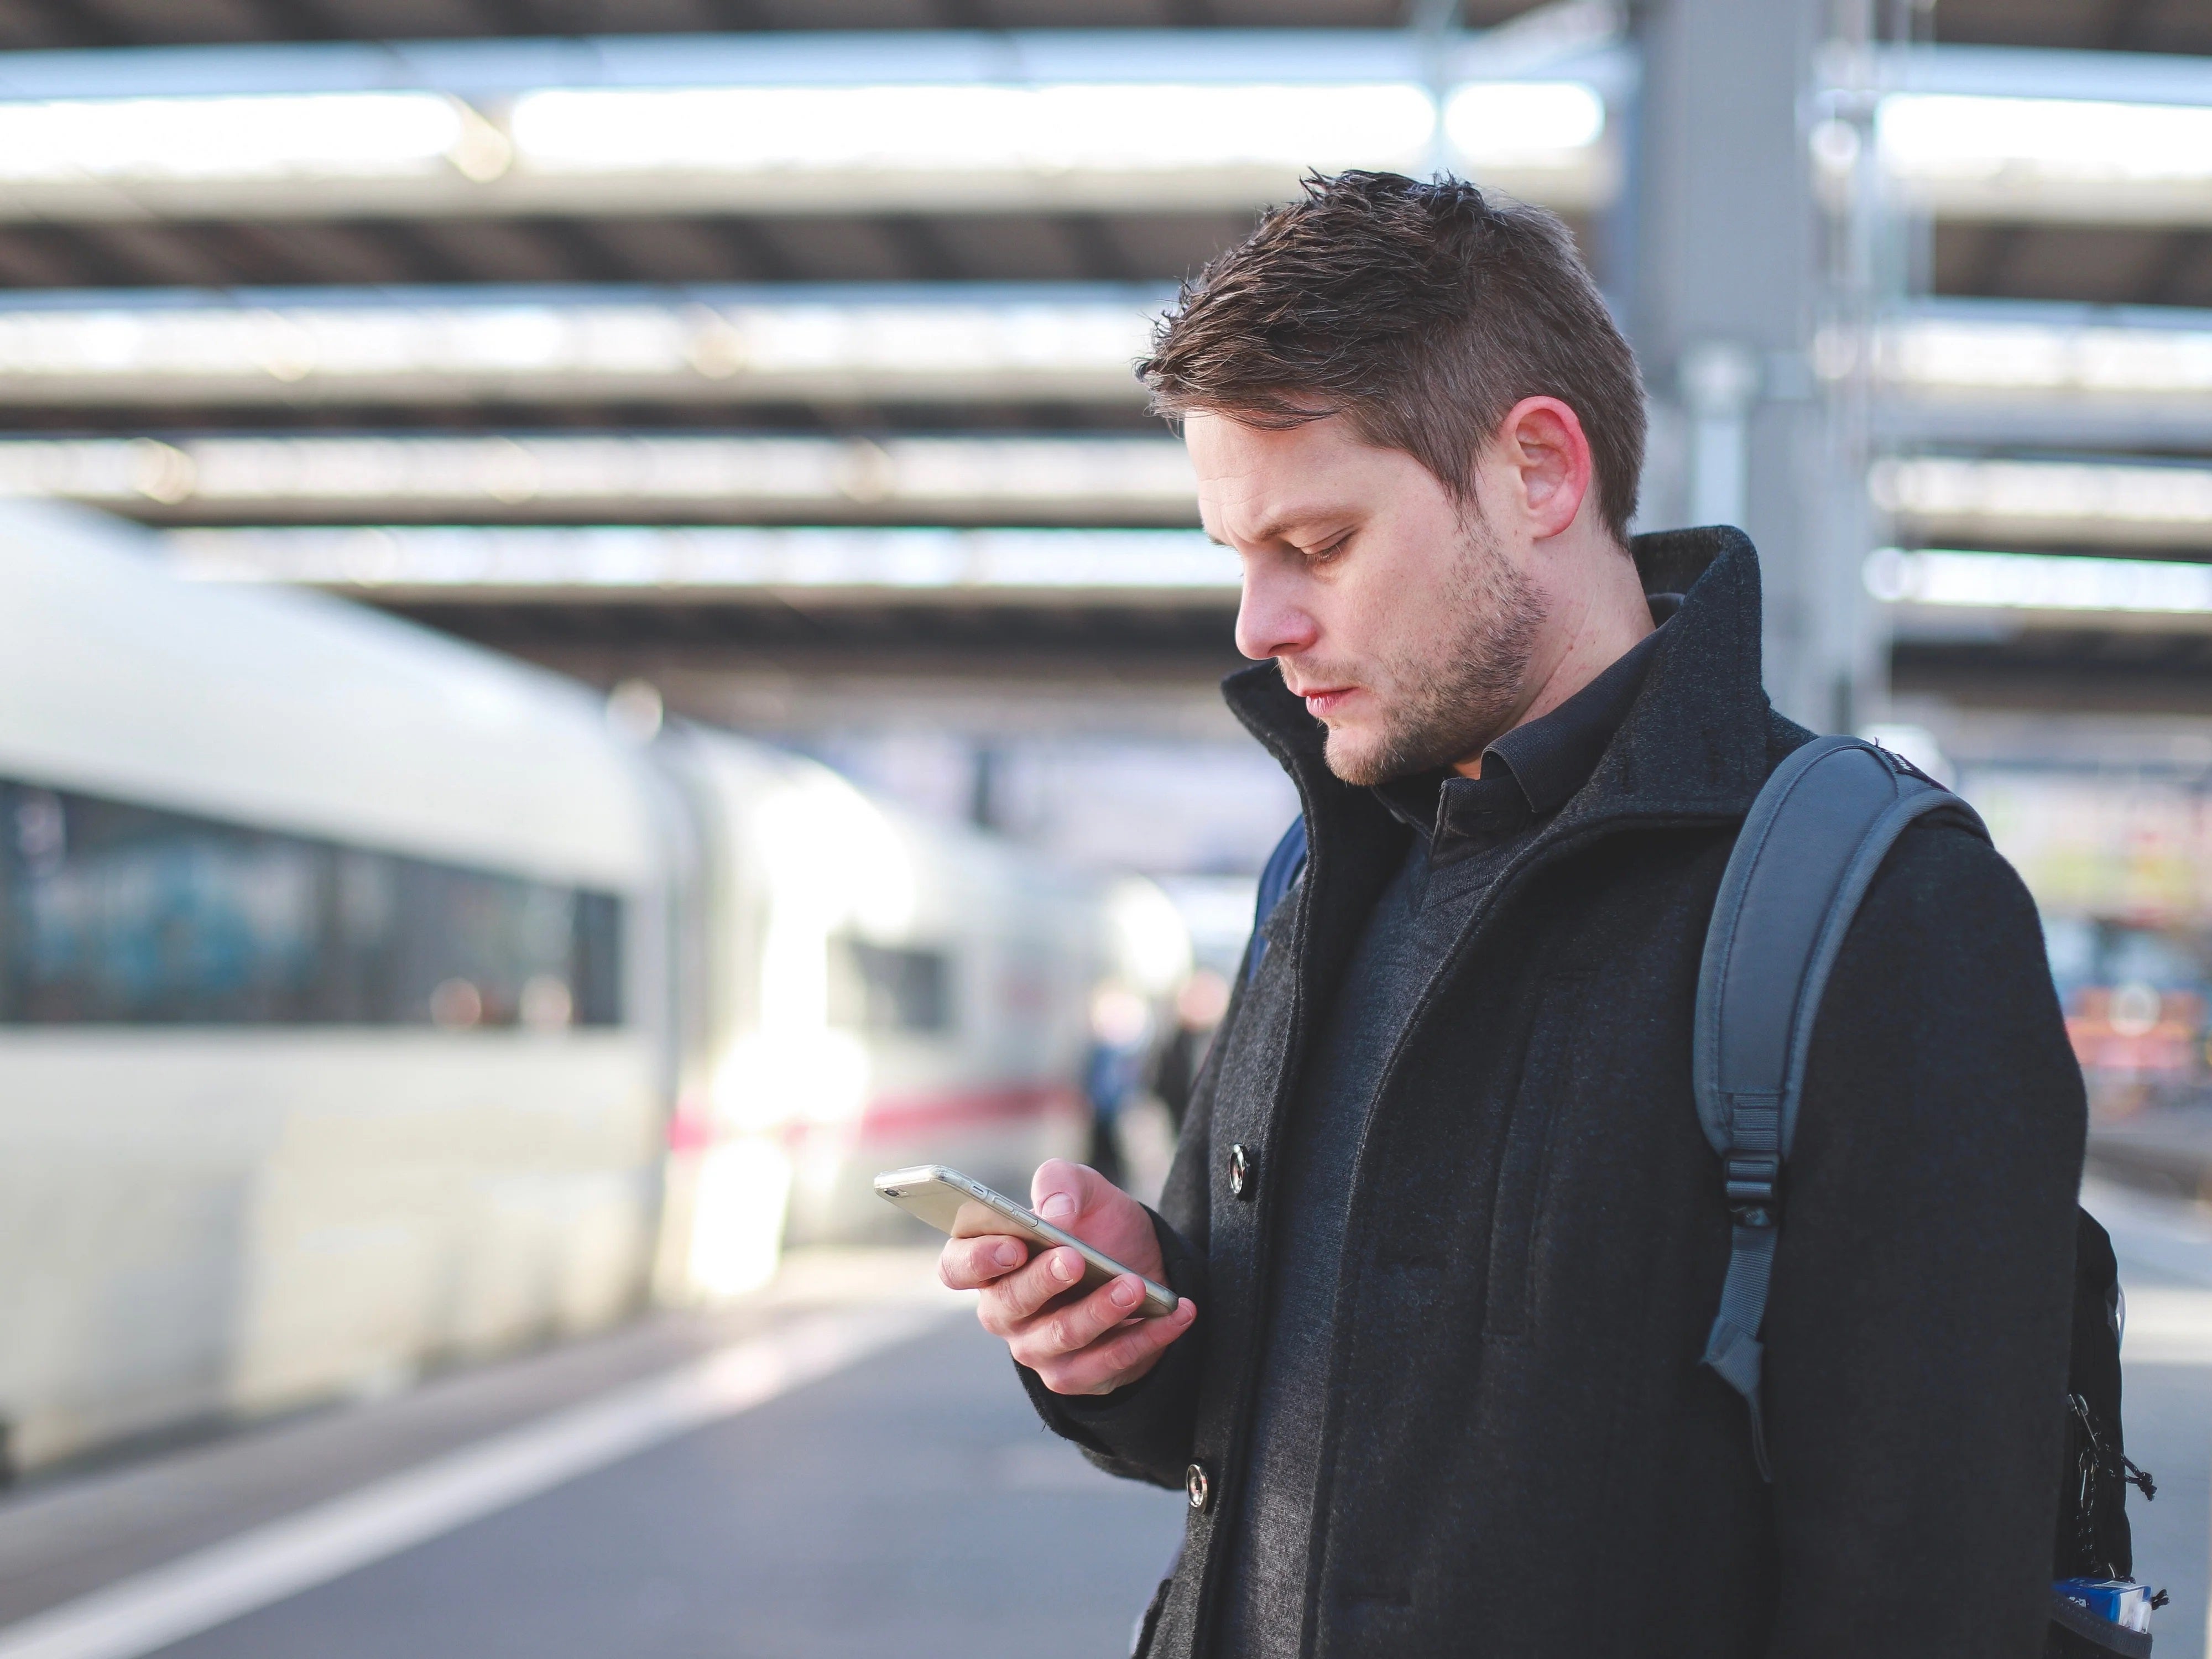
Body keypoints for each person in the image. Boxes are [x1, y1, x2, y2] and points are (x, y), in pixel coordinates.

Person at [940, 171, 2085, 1658]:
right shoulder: (1319, 879)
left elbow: (1927, 1596)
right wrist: (1126, 1344)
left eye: (1320, 544)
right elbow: (1273, 1440)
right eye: (1240, 557)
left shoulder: (1886, 911)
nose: (1258, 625)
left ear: (1538, 471)